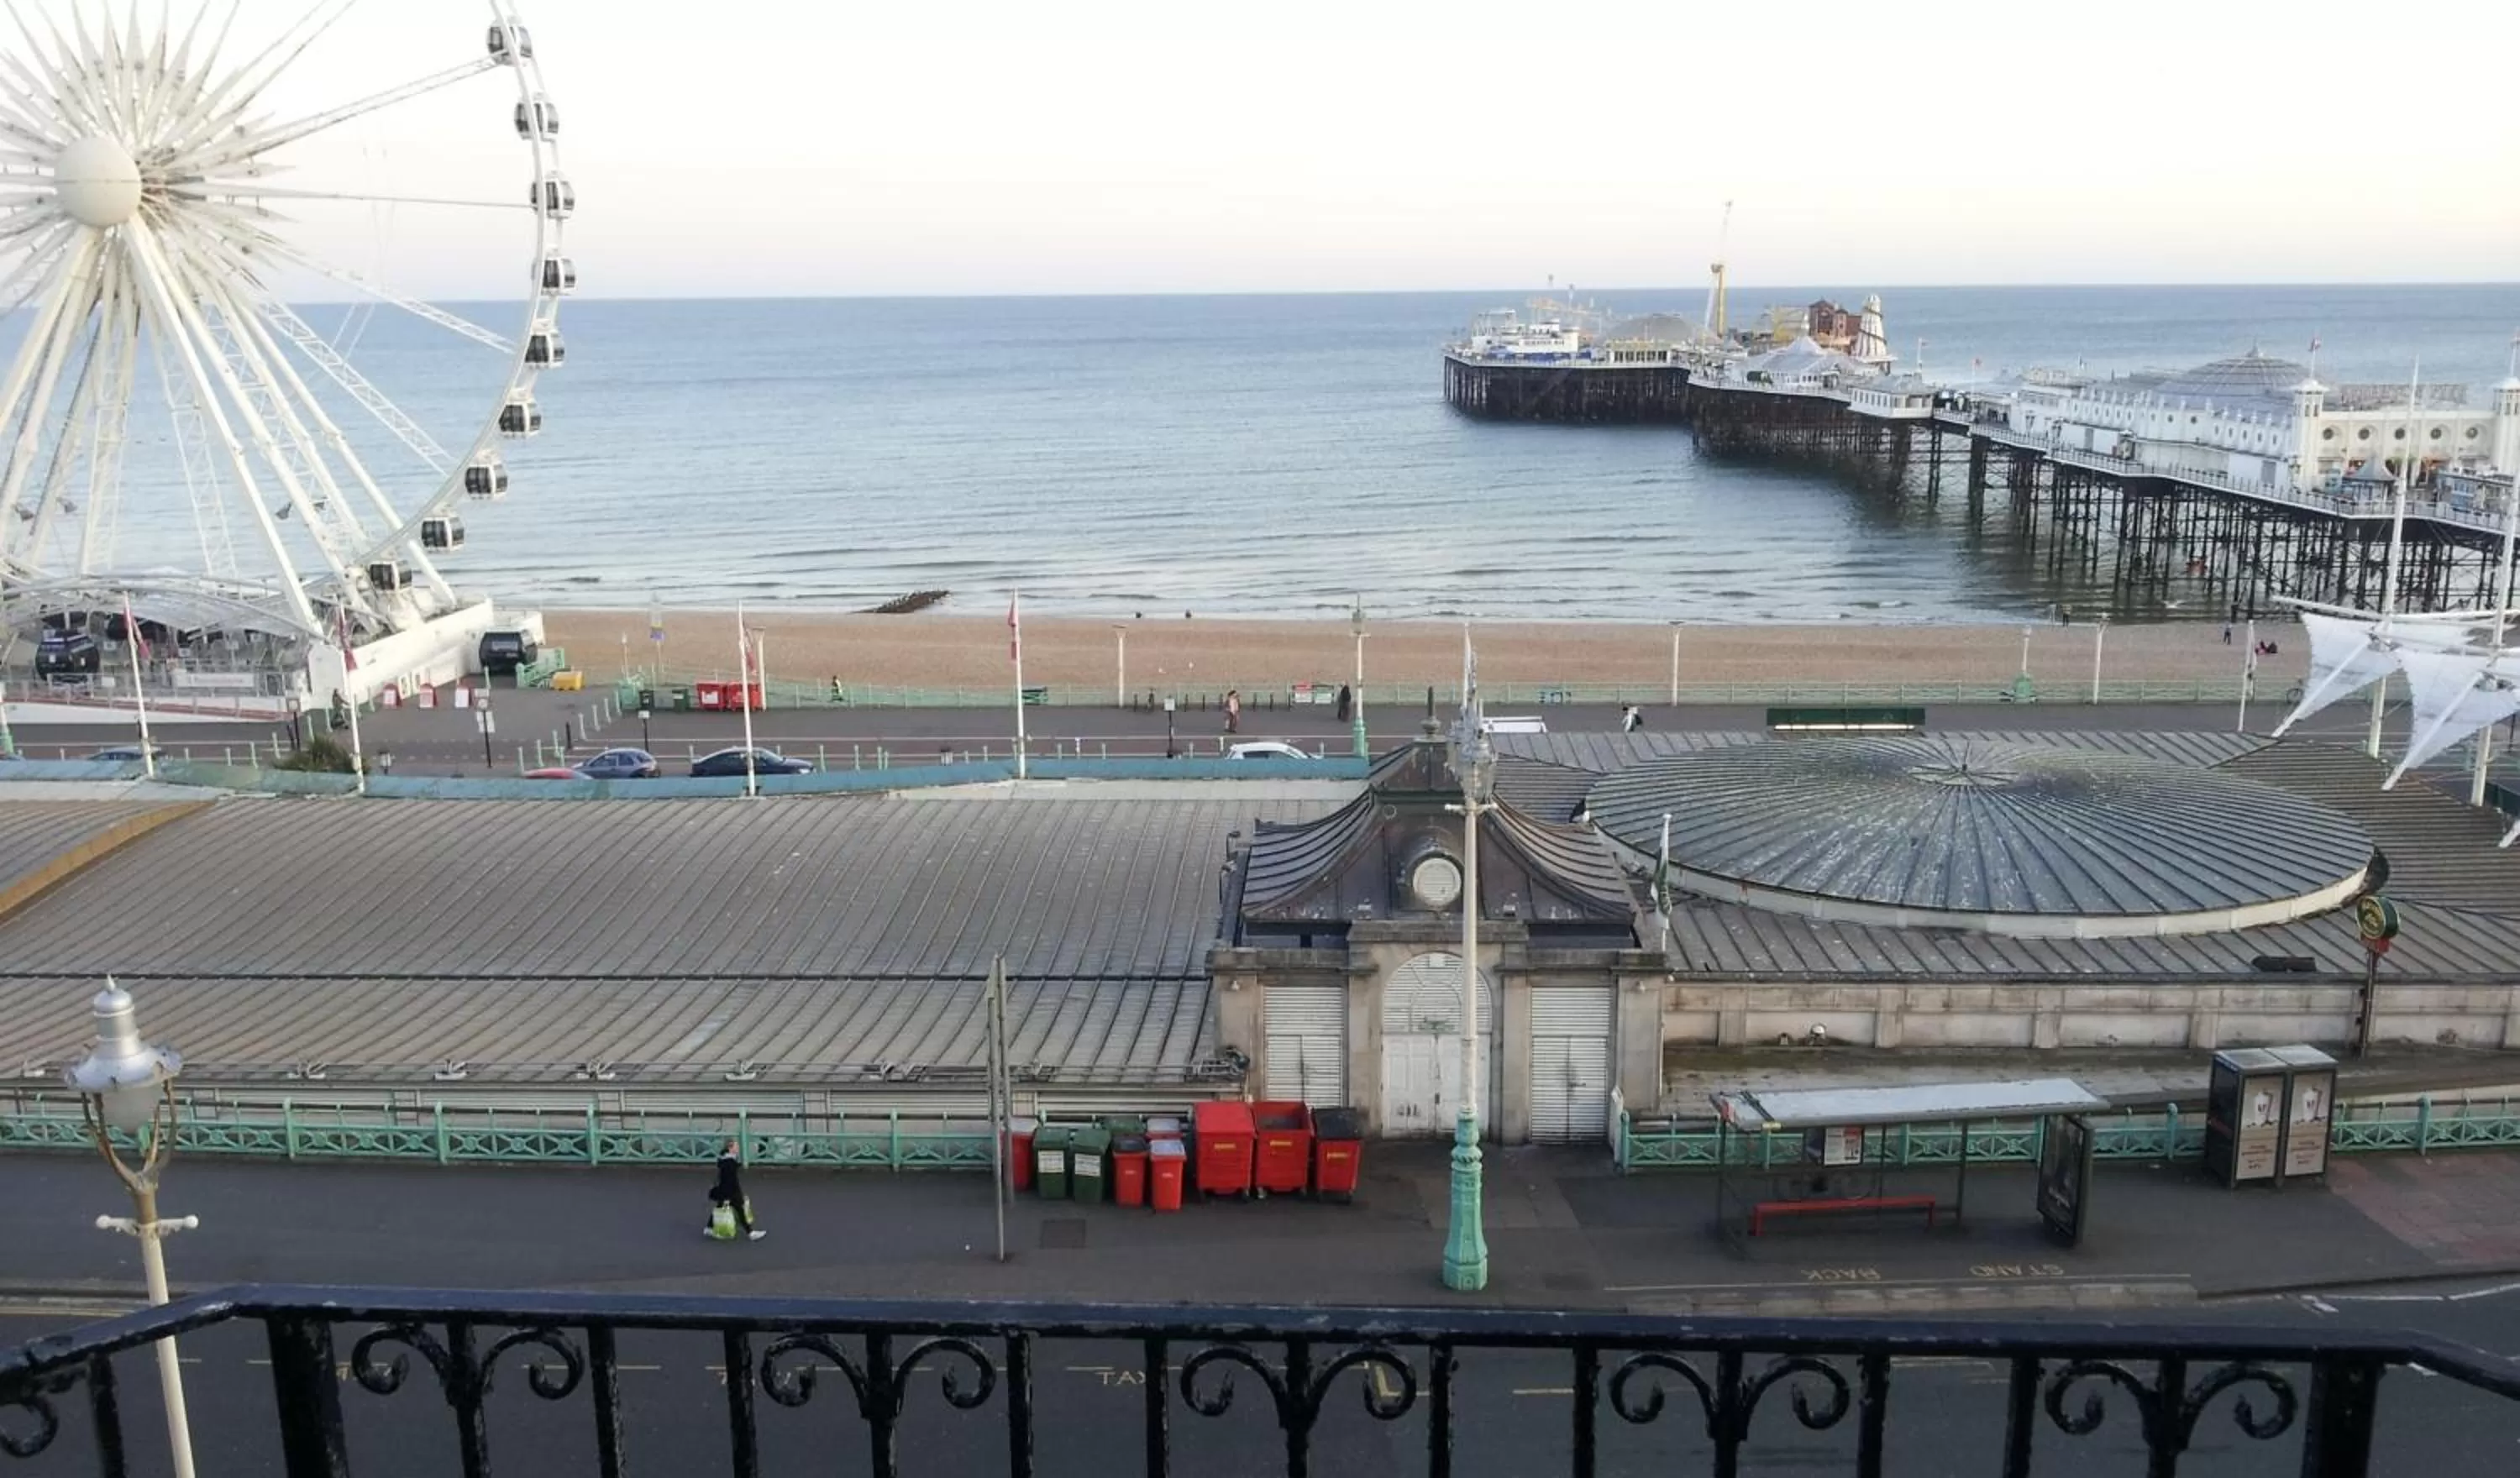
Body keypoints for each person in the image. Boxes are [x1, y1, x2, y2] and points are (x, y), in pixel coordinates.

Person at [711, 1138, 764, 1240]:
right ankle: (750, 1233)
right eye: (736, 1146)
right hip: (731, 1191)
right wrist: (738, 1193)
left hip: (725, 1189)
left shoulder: (724, 1159)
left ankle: (709, 1228)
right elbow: (732, 1180)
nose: (738, 1148)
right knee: (740, 1209)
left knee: (721, 1206)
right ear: (730, 1148)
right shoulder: (730, 1162)